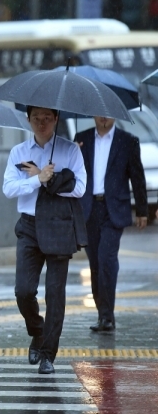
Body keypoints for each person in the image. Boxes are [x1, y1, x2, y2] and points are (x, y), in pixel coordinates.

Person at [3, 106, 87, 374]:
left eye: (47, 118)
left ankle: (48, 354)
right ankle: (37, 332)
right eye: (36, 118)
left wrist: (52, 180)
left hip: (60, 225)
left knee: (55, 292)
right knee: (23, 291)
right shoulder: (18, 152)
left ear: (56, 119)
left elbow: (79, 187)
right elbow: (8, 188)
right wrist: (38, 179)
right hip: (28, 226)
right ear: (28, 119)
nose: (42, 123)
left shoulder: (70, 150)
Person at [74, 116, 147, 332]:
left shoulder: (128, 140)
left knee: (107, 258)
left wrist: (142, 210)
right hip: (89, 209)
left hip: (113, 209)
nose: (104, 116)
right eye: (99, 112)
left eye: (108, 112)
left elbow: (137, 176)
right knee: (95, 264)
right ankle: (102, 313)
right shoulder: (81, 139)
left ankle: (107, 316)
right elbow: (72, 172)